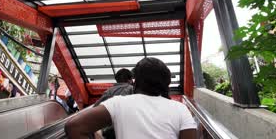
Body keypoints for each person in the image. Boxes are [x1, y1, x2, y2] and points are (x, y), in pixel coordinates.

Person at [65, 58, 197, 139]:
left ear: (136, 82)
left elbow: (74, 126)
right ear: (166, 84)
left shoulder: (119, 103)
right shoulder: (181, 109)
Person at [94, 68, 134, 139]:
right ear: (129, 80)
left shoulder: (109, 91)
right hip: (126, 127)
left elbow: (96, 106)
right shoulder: (131, 88)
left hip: (110, 128)